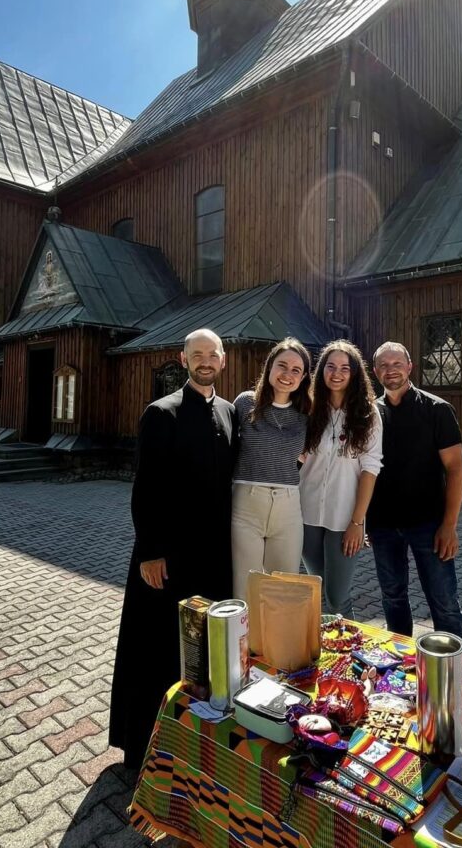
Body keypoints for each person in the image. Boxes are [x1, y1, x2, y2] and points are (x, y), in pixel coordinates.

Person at [109, 328, 235, 770]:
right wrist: (149, 550)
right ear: (184, 360)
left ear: (223, 359)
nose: (205, 361)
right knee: (157, 648)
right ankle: (143, 744)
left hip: (214, 555)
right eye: (197, 355)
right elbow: (145, 488)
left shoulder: (229, 412)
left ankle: (198, 739)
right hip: (168, 555)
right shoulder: (161, 413)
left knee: (205, 650)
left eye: (212, 354)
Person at [367, 341, 462, 641]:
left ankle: (455, 663)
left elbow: (455, 469)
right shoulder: (371, 414)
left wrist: (449, 525)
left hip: (429, 525)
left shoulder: (437, 410)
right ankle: (400, 658)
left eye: (397, 363)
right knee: (393, 598)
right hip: (383, 526)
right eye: (384, 365)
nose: (391, 370)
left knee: (444, 602)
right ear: (375, 371)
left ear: (410, 367)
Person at [300, 340, 383, 618]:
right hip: (307, 514)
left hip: (344, 518)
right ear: (321, 370)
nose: (337, 373)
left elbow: (370, 469)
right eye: (331, 366)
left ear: (355, 373)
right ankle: (326, 641)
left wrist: (357, 523)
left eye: (345, 368)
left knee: (337, 596)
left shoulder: (368, 414)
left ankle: (349, 643)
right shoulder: (309, 409)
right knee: (320, 588)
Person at [231, 338, 311, 599]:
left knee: (284, 589)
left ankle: (278, 630)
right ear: (269, 366)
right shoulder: (245, 403)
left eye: (296, 370)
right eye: (282, 366)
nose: (287, 375)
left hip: (288, 508)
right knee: (245, 589)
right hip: (246, 506)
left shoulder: (307, 413)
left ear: (303, 377)